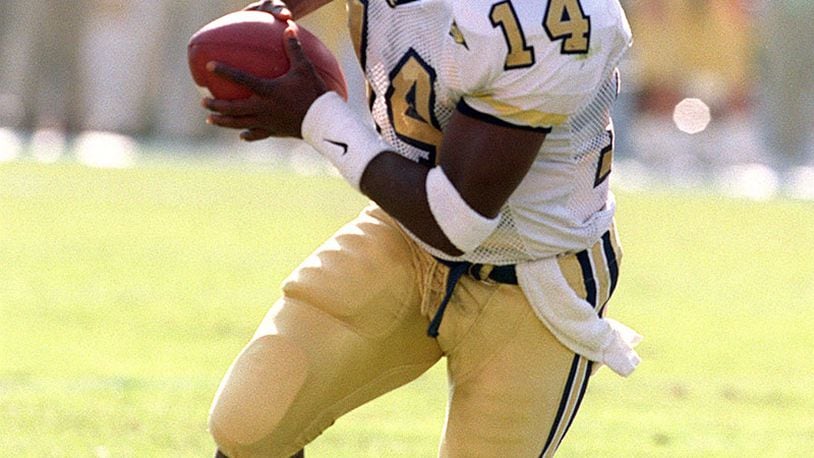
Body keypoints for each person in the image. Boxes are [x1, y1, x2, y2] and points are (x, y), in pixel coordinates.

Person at [203, 0, 641, 456]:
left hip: (532, 276)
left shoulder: (545, 15)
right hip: (403, 233)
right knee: (251, 424)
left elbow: (456, 220)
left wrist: (316, 117)